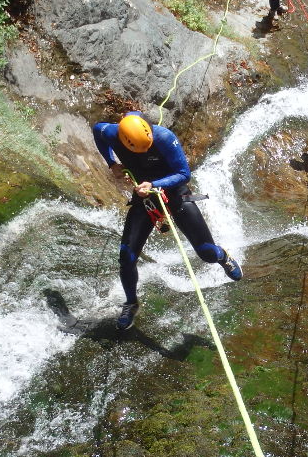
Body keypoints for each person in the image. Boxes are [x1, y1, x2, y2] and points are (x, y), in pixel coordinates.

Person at [93, 112, 243, 330]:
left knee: (206, 253)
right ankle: (131, 303)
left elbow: (184, 174)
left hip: (175, 194)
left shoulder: (163, 137)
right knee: (126, 257)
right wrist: (111, 163)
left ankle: (223, 256)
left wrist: (153, 184)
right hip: (144, 198)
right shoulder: (113, 132)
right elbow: (97, 130)